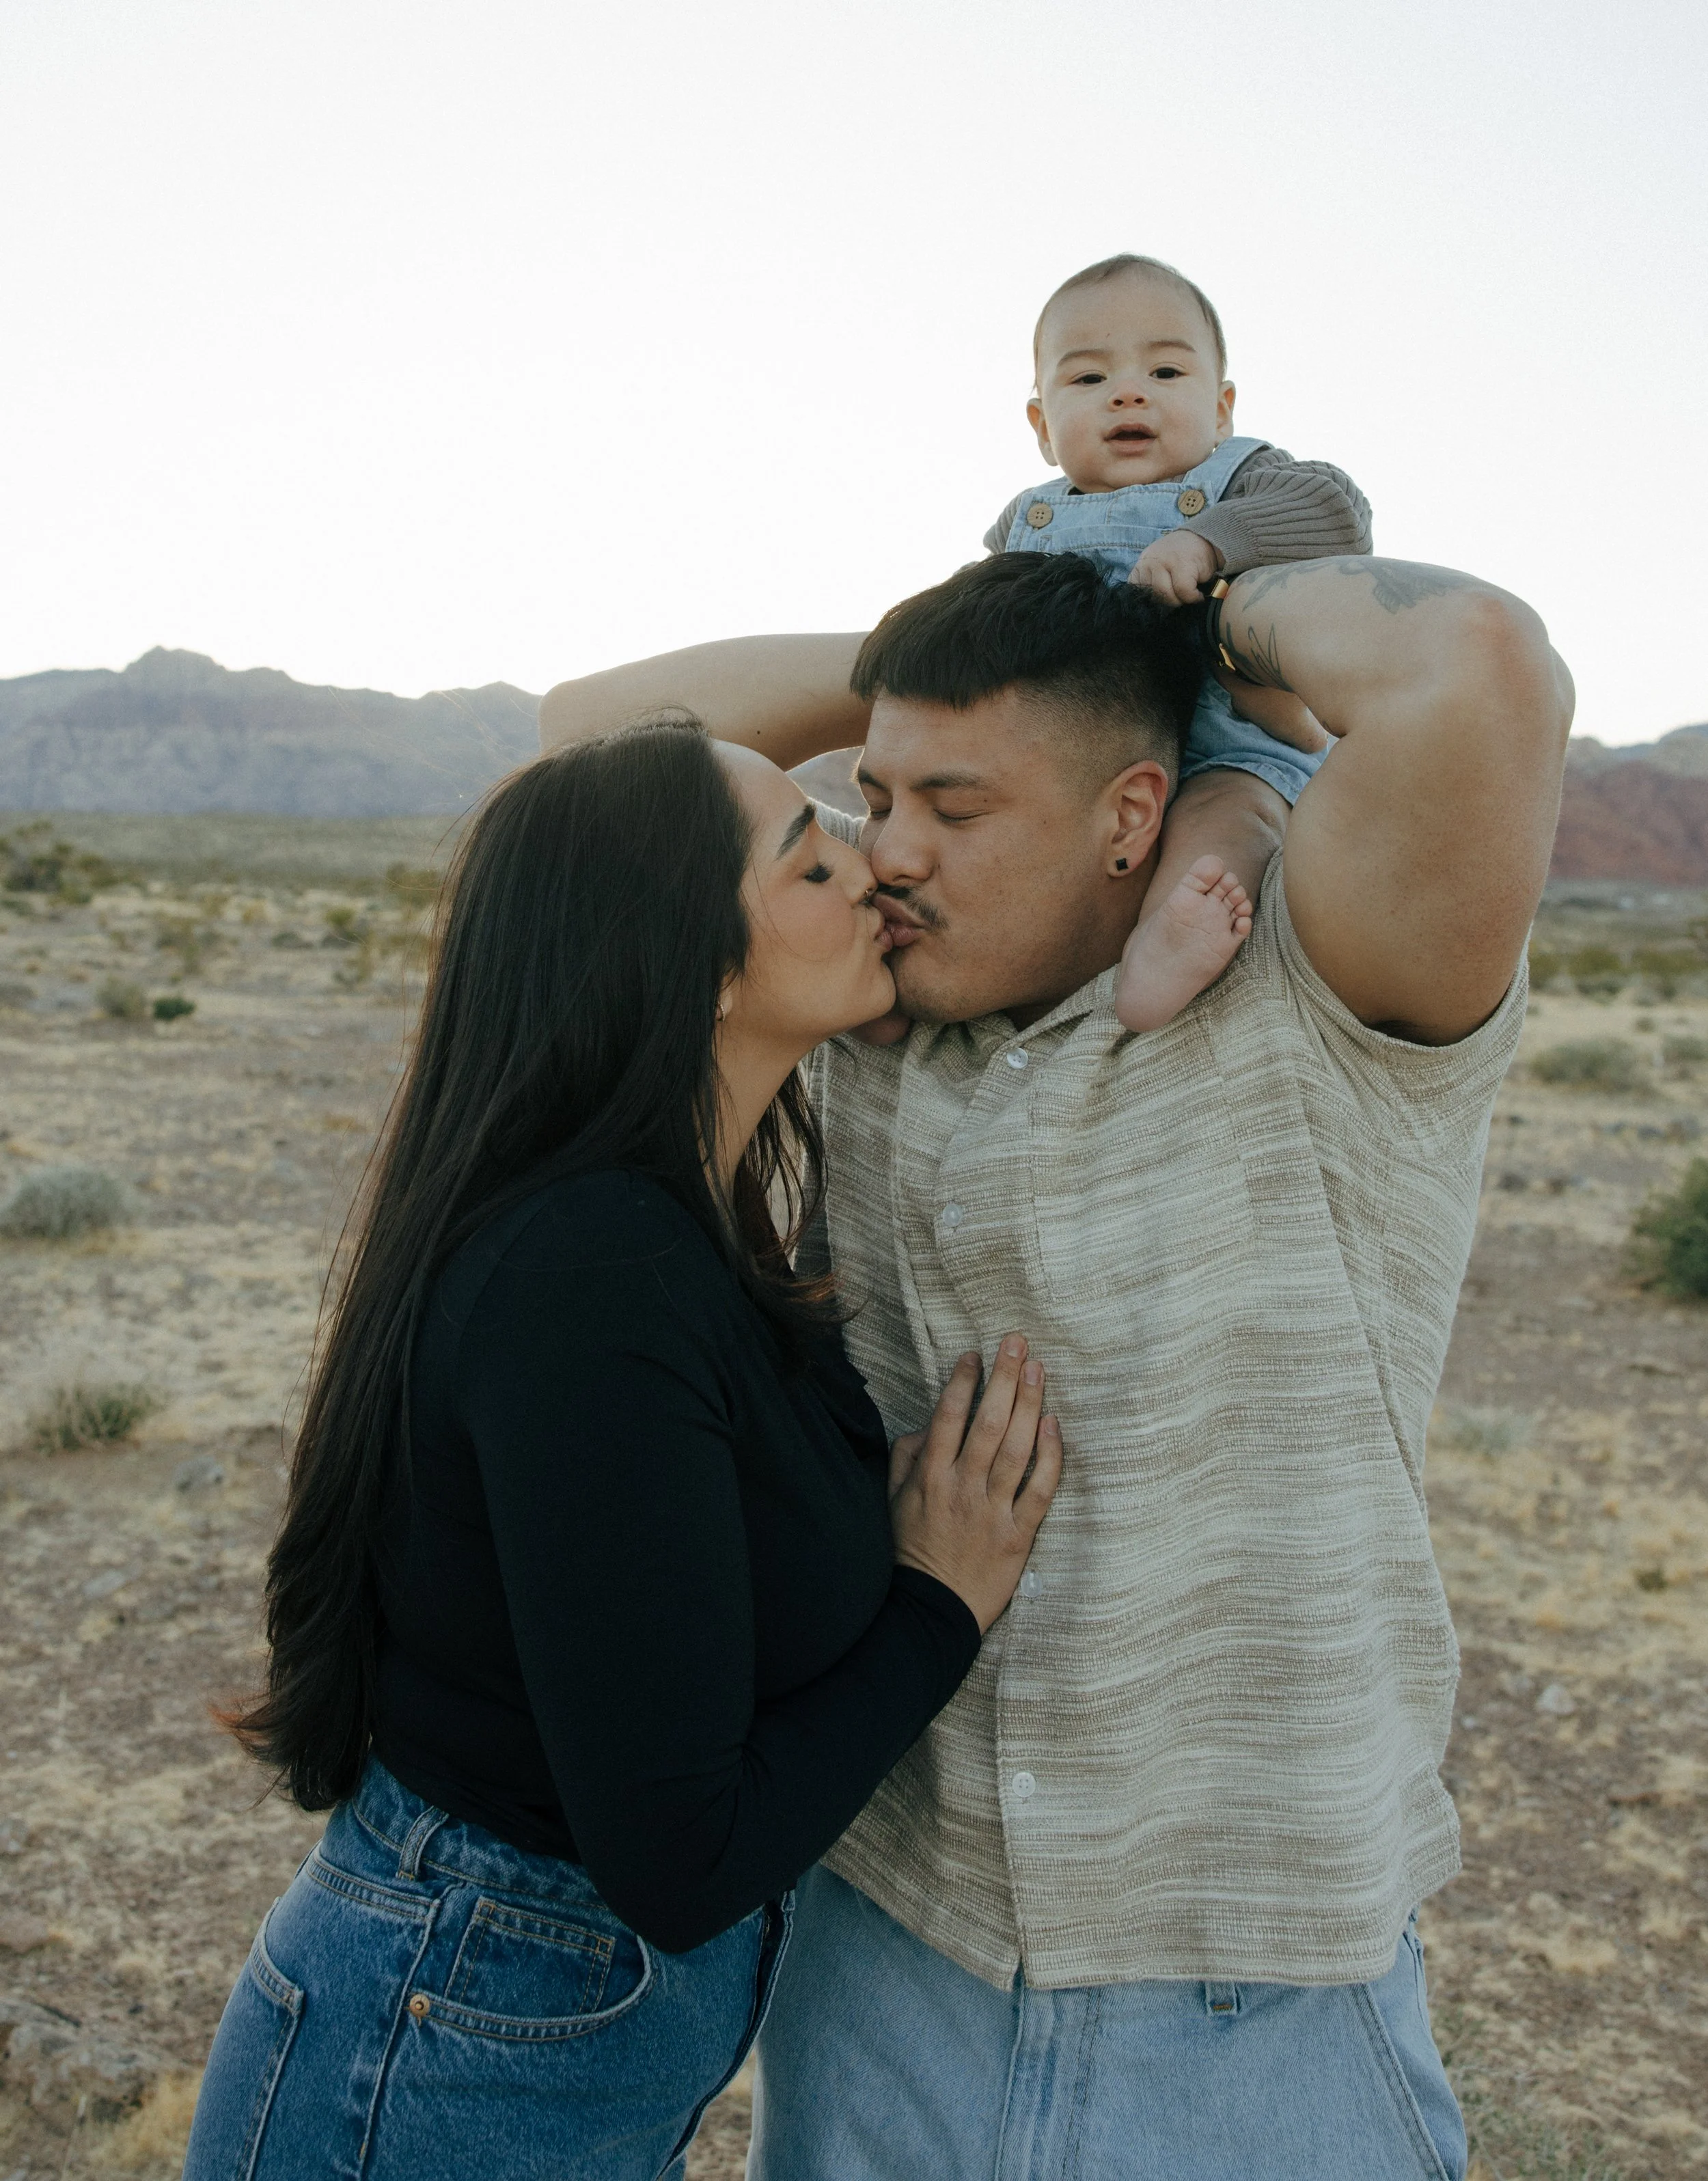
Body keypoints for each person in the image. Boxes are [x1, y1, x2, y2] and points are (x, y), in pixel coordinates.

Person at [537, 546, 1573, 2179]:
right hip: (884, 1962)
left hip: (1253, 2009)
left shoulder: (1317, 991)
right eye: (876, 796)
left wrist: (1192, 623)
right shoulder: (860, 1012)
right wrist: (965, 625)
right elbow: (579, 745)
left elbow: (1484, 668)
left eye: (957, 806)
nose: (890, 854)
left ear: (1130, 814)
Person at [181, 719, 1061, 2180]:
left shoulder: (672, 1226)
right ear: (702, 968)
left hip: (505, 2030)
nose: (869, 873)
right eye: (810, 861)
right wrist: (937, 1604)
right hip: (446, 2049)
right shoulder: (593, 1279)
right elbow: (679, 1857)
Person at [990, 251, 1373, 1034]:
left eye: (1165, 373)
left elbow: (1338, 515)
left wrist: (1208, 542)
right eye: (1088, 379)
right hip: (1085, 758)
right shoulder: (1028, 520)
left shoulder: (1244, 477)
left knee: (1227, 825)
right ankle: (935, 958)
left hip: (1229, 743)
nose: (1128, 391)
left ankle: (1175, 940)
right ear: (1041, 426)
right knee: (999, 836)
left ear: (1222, 408)